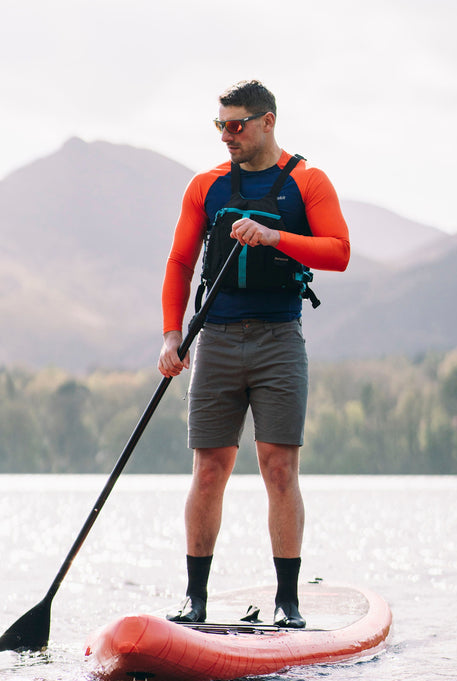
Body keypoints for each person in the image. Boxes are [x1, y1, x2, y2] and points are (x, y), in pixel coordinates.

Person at [158, 80, 350, 628]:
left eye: (237, 124)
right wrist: (172, 335)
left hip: (278, 341)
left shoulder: (308, 181)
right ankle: (195, 598)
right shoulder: (206, 186)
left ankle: (287, 603)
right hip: (214, 340)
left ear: (268, 122)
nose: (227, 136)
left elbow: (338, 252)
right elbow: (178, 263)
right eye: (220, 125)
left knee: (280, 468)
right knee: (210, 468)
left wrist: (274, 237)